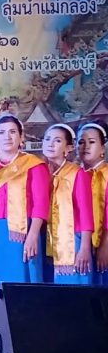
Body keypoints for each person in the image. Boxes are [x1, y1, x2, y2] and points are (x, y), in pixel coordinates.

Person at [0, 115, 50, 315]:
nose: (7, 137)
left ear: (21, 137)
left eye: (13, 132)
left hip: (25, 232)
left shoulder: (34, 165)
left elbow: (41, 203)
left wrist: (33, 235)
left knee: (23, 278)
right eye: (2, 132)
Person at [43, 123, 94, 284]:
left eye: (57, 141)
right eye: (47, 139)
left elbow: (86, 213)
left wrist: (84, 248)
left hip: (72, 240)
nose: (51, 144)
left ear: (69, 148)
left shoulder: (76, 174)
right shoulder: (40, 172)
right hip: (46, 238)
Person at [77, 122, 108, 285]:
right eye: (81, 142)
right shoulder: (75, 175)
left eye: (92, 142)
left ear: (103, 148)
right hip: (82, 243)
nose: (86, 147)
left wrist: (105, 246)